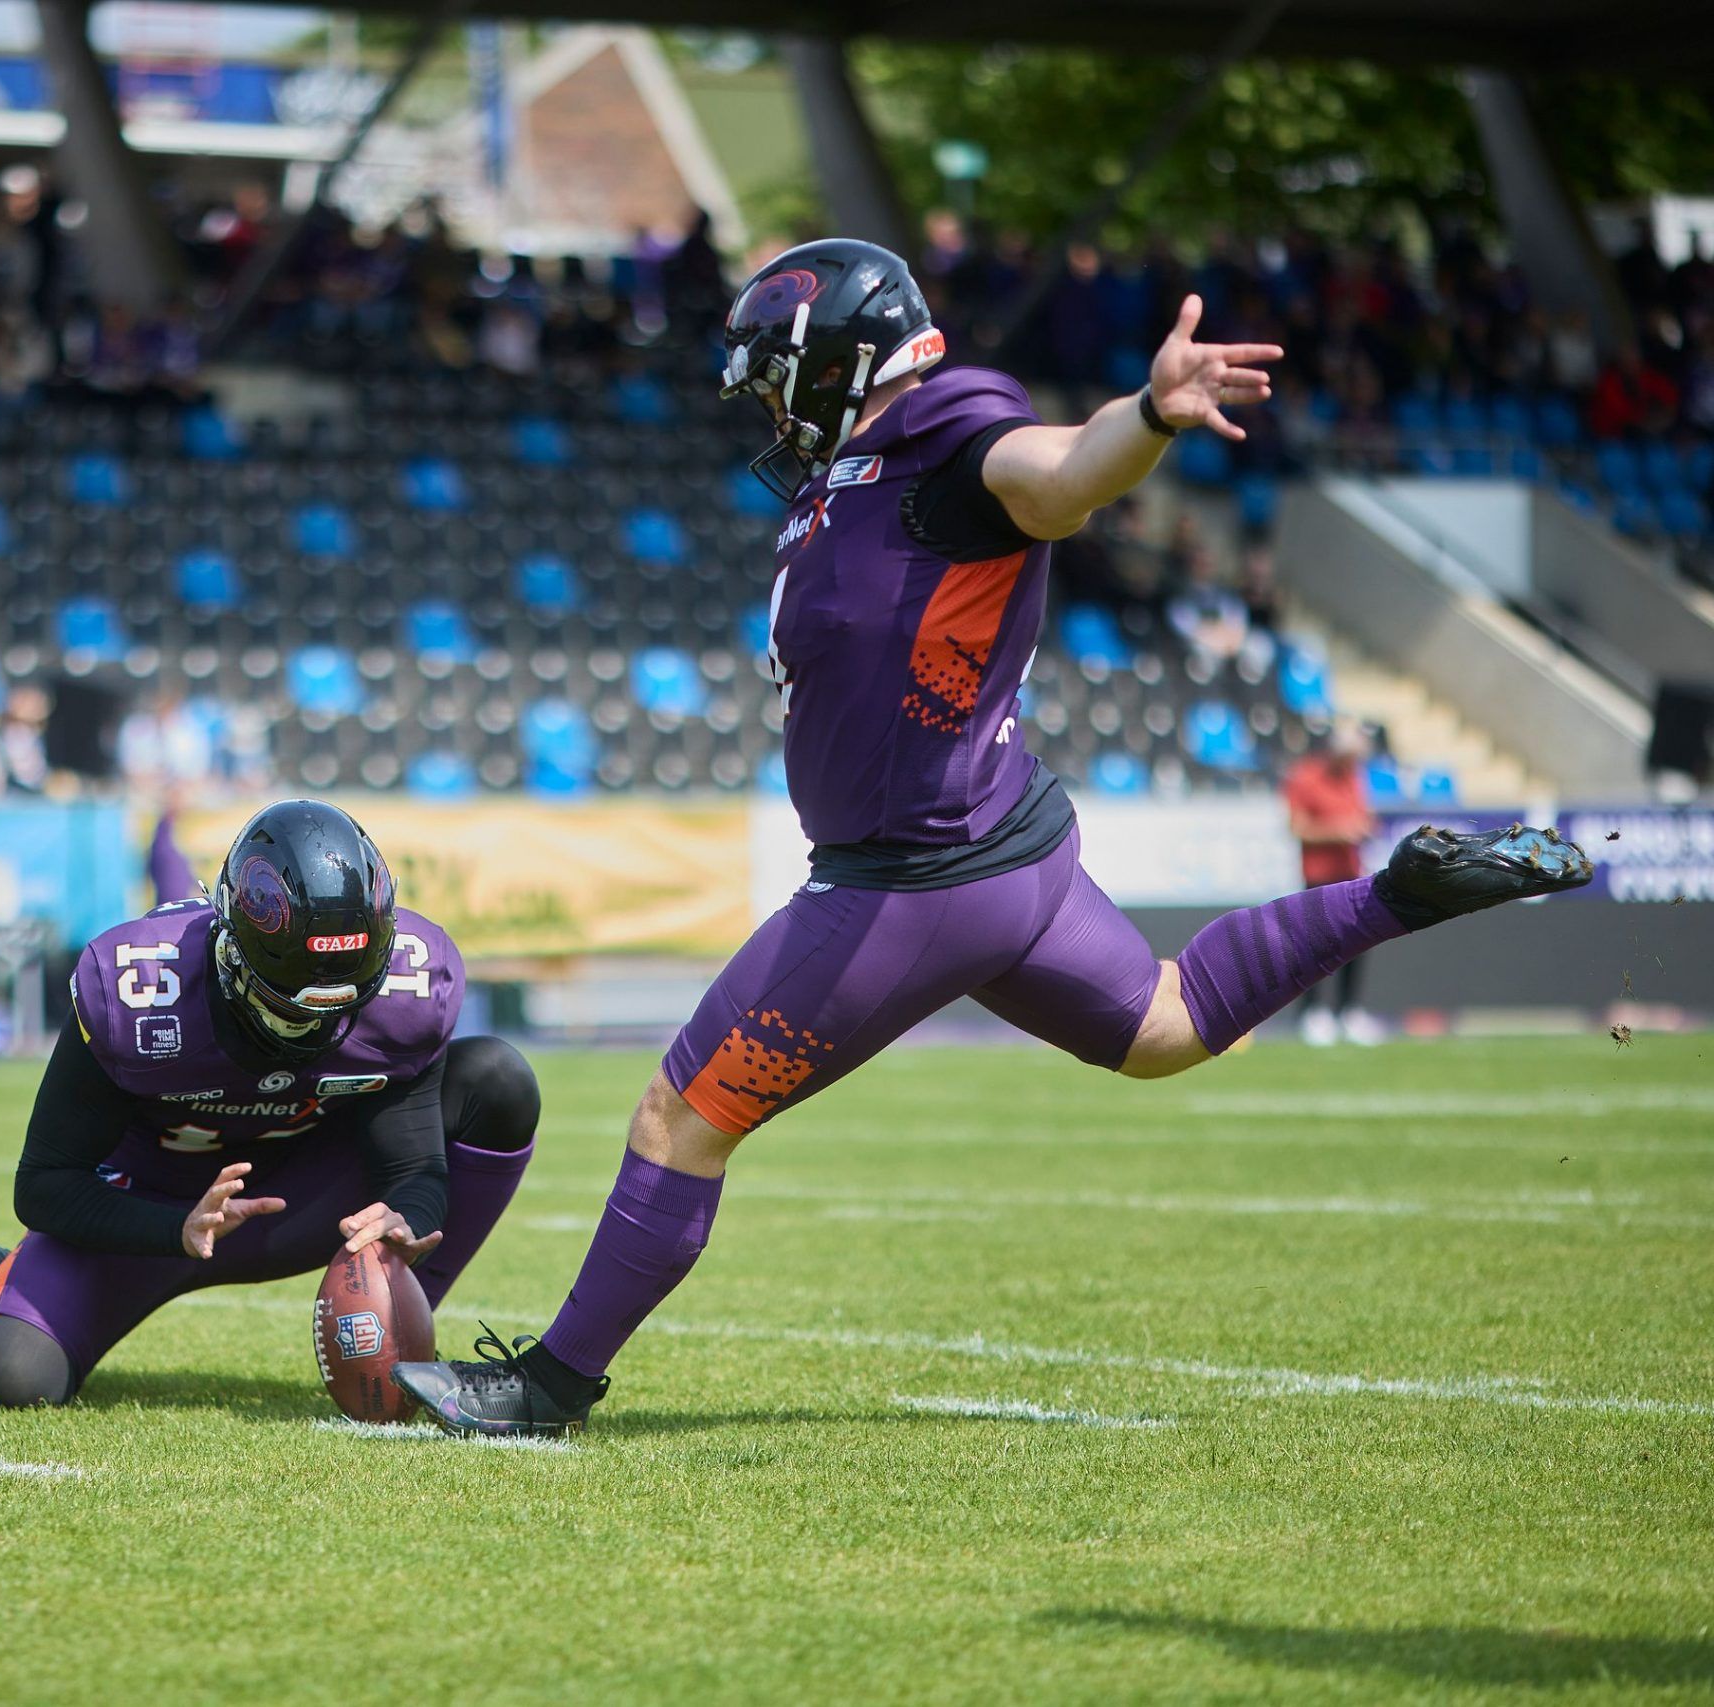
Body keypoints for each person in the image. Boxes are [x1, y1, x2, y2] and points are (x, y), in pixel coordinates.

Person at [393, 238, 1596, 1438]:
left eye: (776, 378)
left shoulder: (943, 439)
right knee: (1164, 1025)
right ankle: (1401, 893)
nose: (769, 407)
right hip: (1009, 857)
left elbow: (1058, 475)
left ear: (837, 361)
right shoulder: (861, 473)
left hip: (909, 882)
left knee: (678, 1119)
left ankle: (548, 1389)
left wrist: (1147, 416)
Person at [0, 799, 538, 1408]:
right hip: (146, 1207)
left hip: (302, 1202)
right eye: (291, 1008)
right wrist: (173, 1227)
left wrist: (407, 1217)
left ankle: (397, 1332)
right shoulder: (140, 991)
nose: (314, 1029)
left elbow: (414, 1168)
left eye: (341, 1005)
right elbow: (44, 1184)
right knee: (0, 1376)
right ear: (231, 952)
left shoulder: (410, 990)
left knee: (497, 1080)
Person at [1281, 724, 1385, 1046]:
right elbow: (1297, 828)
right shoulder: (1305, 776)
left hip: (1351, 872)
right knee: (1315, 945)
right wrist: (1338, 831)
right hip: (1319, 876)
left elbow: (1362, 815)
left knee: (1357, 943)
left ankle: (1348, 1010)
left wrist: (1364, 827)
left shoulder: (1355, 777)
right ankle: (1312, 1012)